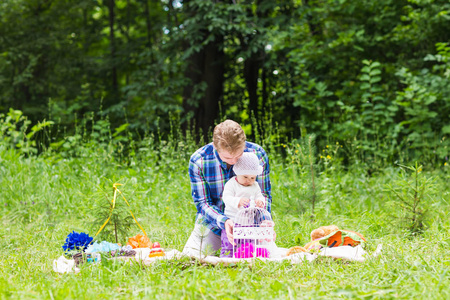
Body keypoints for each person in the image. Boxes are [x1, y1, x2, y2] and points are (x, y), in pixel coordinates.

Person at [182, 119, 271, 257]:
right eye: (228, 157)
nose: (234, 161)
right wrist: (225, 222)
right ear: (216, 148)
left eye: (239, 155)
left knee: (266, 256)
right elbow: (203, 203)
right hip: (213, 225)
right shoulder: (199, 160)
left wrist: (265, 221)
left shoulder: (257, 154)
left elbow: (264, 193)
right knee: (190, 257)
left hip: (250, 226)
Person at [220, 152, 269, 257]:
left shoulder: (255, 186)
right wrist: (238, 201)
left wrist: (261, 201)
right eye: (245, 176)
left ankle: (246, 256)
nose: (249, 180)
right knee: (230, 243)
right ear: (237, 172)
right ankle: (227, 258)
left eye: (252, 177)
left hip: (249, 222)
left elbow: (260, 195)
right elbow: (226, 198)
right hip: (232, 221)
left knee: (248, 243)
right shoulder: (232, 184)